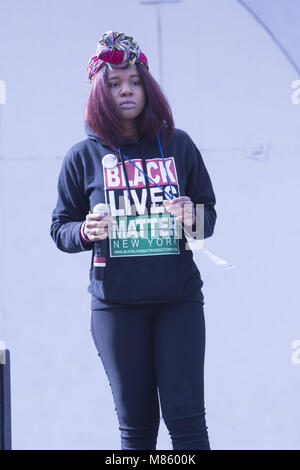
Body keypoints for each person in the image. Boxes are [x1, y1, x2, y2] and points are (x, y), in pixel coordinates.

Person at [50, 31, 217, 450]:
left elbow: (207, 218)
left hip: (177, 301)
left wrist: (191, 216)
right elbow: (60, 228)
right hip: (116, 308)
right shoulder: (82, 157)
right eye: (114, 84)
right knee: (137, 428)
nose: (126, 91)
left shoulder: (178, 146)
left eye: (134, 82)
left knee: (187, 423)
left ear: (148, 88)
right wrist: (86, 231)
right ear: (98, 93)